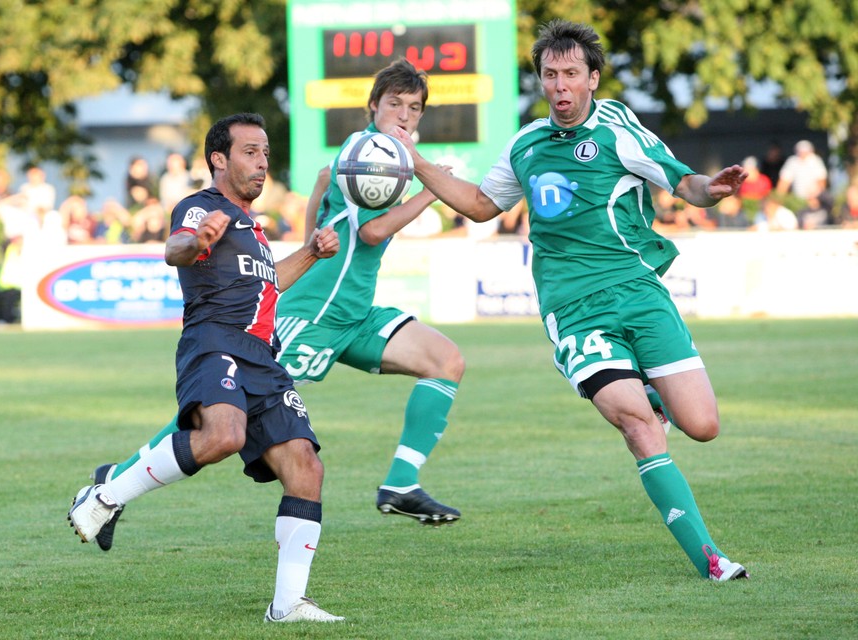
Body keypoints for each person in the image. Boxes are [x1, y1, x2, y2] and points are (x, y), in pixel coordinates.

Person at [391, 19, 747, 581]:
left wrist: (713, 189)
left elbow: (684, 184)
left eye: (571, 74)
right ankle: (711, 558)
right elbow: (482, 205)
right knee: (639, 429)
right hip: (575, 309)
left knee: (702, 425)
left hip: (639, 292)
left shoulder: (618, 129)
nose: (559, 85)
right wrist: (416, 162)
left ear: (592, 79)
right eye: (549, 74)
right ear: (540, 80)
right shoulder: (525, 144)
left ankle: (649, 389)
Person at [67, 113, 344, 623]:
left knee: (306, 465)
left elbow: (270, 282)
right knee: (223, 434)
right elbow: (175, 249)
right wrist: (197, 241)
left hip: (263, 356)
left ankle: (288, 605)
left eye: (265, 154)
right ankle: (106, 494)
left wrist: (311, 252)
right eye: (250, 152)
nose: (262, 163)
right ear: (219, 159)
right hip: (214, 339)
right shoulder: (200, 207)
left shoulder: (255, 231)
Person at [278, 58, 465, 524]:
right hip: (316, 312)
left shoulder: (381, 152)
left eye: (415, 107)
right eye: (395, 104)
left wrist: (310, 242)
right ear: (374, 106)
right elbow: (372, 233)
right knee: (235, 410)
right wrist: (433, 189)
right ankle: (121, 477)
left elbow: (323, 178)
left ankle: (401, 484)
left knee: (446, 361)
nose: (404, 115)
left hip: (354, 312)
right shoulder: (370, 148)